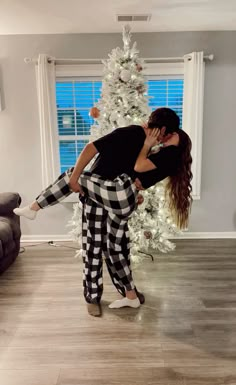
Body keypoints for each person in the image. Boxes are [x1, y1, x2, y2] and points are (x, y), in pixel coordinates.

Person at [14, 108, 193, 316]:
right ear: (161, 130)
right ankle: (94, 297)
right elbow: (91, 148)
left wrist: (136, 190)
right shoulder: (132, 133)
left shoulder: (154, 149)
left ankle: (128, 293)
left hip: (116, 196)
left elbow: (139, 171)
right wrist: (76, 179)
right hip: (96, 198)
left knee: (117, 248)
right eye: (168, 134)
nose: (166, 140)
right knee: (95, 248)